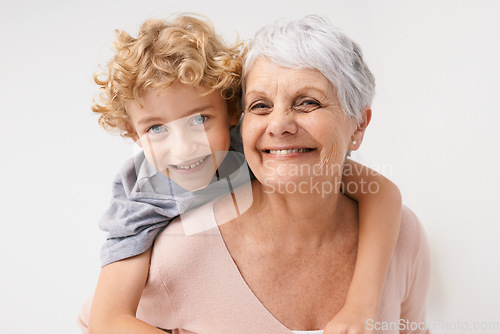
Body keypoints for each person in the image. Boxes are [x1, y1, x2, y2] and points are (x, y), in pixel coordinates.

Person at [81, 14, 409, 334]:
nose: (184, 149)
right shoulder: (141, 199)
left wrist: (363, 305)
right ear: (133, 133)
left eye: (199, 120)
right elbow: (104, 320)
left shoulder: (256, 144)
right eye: (156, 128)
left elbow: (380, 190)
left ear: (232, 112)